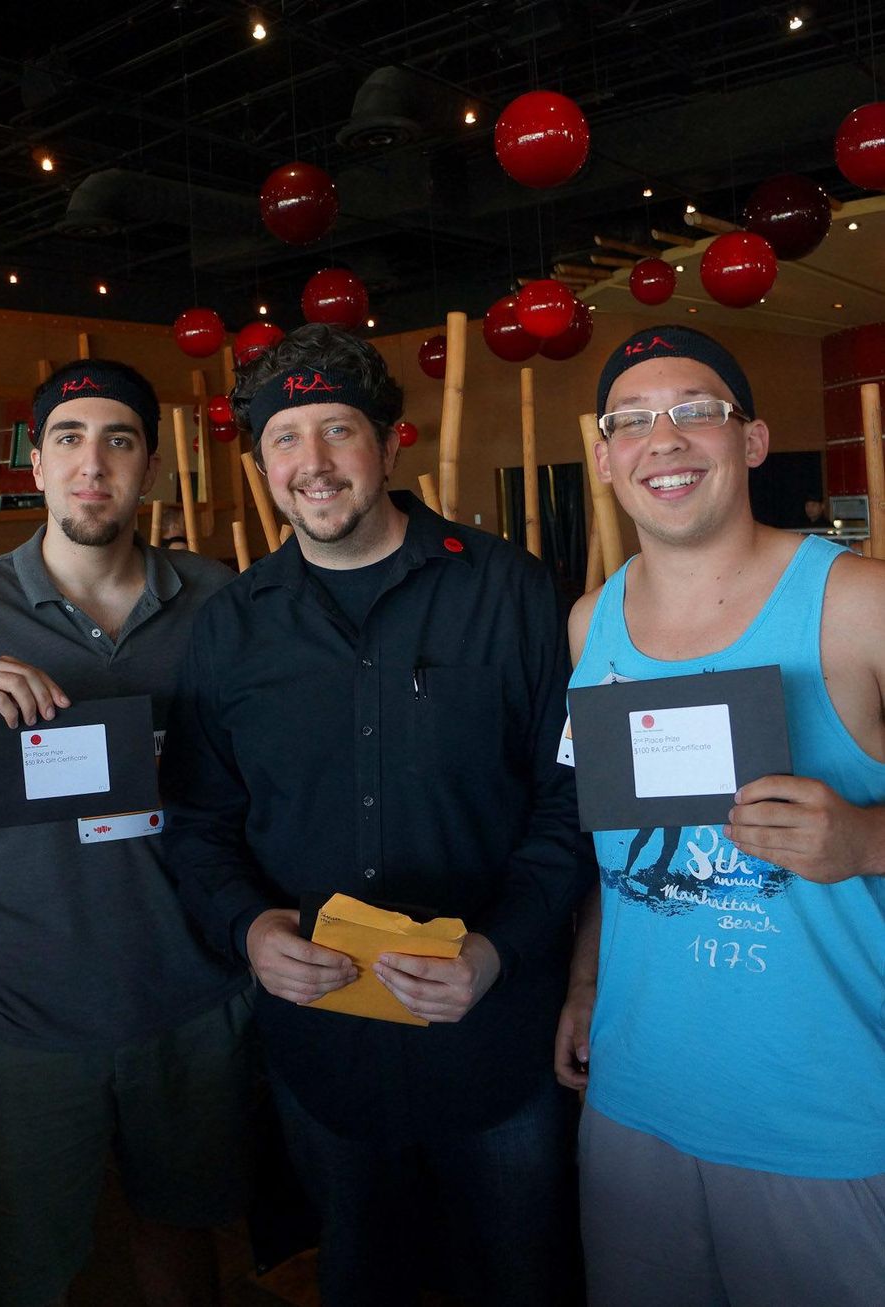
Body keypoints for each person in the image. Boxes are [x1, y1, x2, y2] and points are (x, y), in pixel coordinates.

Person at [160, 323, 594, 1307]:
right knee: (361, 1272)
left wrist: (491, 951)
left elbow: (570, 805)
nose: (311, 463)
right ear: (258, 458)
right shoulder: (228, 626)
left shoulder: (510, 590)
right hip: (326, 1052)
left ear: (391, 441)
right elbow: (196, 821)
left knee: (522, 1272)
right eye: (284, 437)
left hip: (495, 1042)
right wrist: (250, 926)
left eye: (337, 430)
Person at [0, 359, 251, 1307]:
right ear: (37, 463)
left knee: (183, 1242)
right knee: (27, 1264)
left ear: (150, 471)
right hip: (25, 1011)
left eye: (119, 439)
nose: (91, 462)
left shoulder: (220, 600)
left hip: (189, 995)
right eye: (68, 437)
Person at [555, 324, 885, 1307]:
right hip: (633, 1098)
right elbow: (615, 843)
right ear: (606, 458)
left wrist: (866, 838)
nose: (665, 437)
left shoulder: (856, 601)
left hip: (824, 1114)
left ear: (748, 442)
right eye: (633, 420)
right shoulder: (588, 620)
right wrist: (581, 978)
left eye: (696, 409)